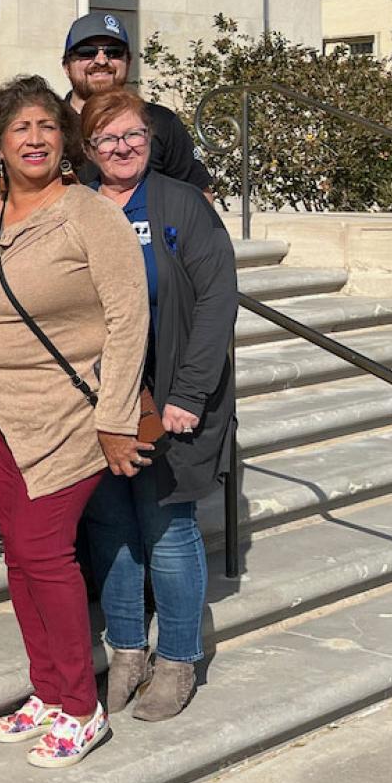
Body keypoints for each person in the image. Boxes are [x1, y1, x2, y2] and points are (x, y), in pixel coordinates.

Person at [0, 75, 149, 768]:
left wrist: (118, 416)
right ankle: (49, 690)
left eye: (47, 126)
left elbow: (128, 316)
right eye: (19, 129)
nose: (34, 139)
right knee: (25, 560)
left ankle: (81, 709)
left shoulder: (90, 214)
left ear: (64, 141)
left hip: (69, 415)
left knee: (45, 557)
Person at [79, 88, 237, 722]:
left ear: (151, 139)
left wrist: (188, 394)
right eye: (107, 139)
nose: (122, 149)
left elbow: (216, 302)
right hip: (99, 400)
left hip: (172, 398)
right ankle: (125, 652)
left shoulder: (180, 205)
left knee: (167, 530)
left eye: (133, 136)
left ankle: (177, 660)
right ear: (88, 149)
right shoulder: (78, 207)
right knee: (112, 529)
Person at [60, 11, 214, 196]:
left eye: (114, 52)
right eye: (87, 52)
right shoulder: (51, 127)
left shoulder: (162, 122)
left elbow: (200, 196)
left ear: (128, 61)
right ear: (66, 66)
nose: (101, 60)